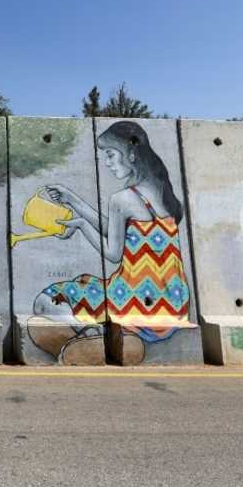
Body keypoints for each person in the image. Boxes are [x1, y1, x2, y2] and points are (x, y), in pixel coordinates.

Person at [44, 121, 191, 356]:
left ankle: (94, 341)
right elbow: (118, 230)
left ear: (131, 154)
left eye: (111, 155)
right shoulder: (164, 194)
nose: (107, 163)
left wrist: (82, 225)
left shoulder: (122, 199)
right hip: (173, 306)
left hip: (128, 300)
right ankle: (115, 341)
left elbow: (113, 253)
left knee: (49, 300)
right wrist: (72, 200)